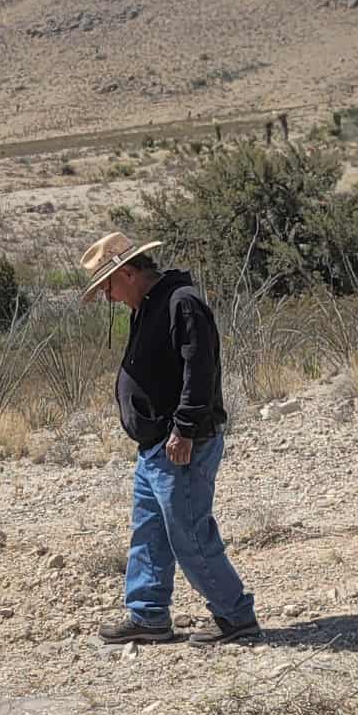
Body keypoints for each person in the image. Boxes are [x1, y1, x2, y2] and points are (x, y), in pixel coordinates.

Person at [79, 230, 260, 646]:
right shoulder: (149, 306)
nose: (107, 297)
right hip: (155, 447)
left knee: (190, 536)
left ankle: (235, 616)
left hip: (181, 444)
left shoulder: (182, 303)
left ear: (126, 273)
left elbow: (200, 371)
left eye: (107, 286)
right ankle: (148, 615)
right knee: (149, 532)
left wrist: (184, 429)